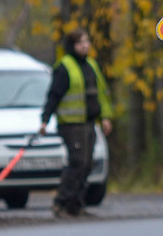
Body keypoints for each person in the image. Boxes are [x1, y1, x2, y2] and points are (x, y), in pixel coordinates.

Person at [39, 28, 114, 218]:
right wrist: (44, 120)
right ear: (72, 46)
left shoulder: (91, 65)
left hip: (88, 124)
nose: (85, 45)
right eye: (81, 42)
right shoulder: (64, 67)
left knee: (87, 164)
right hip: (70, 125)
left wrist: (105, 117)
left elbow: (101, 94)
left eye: (87, 41)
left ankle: (76, 206)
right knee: (77, 162)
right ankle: (61, 203)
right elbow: (53, 96)